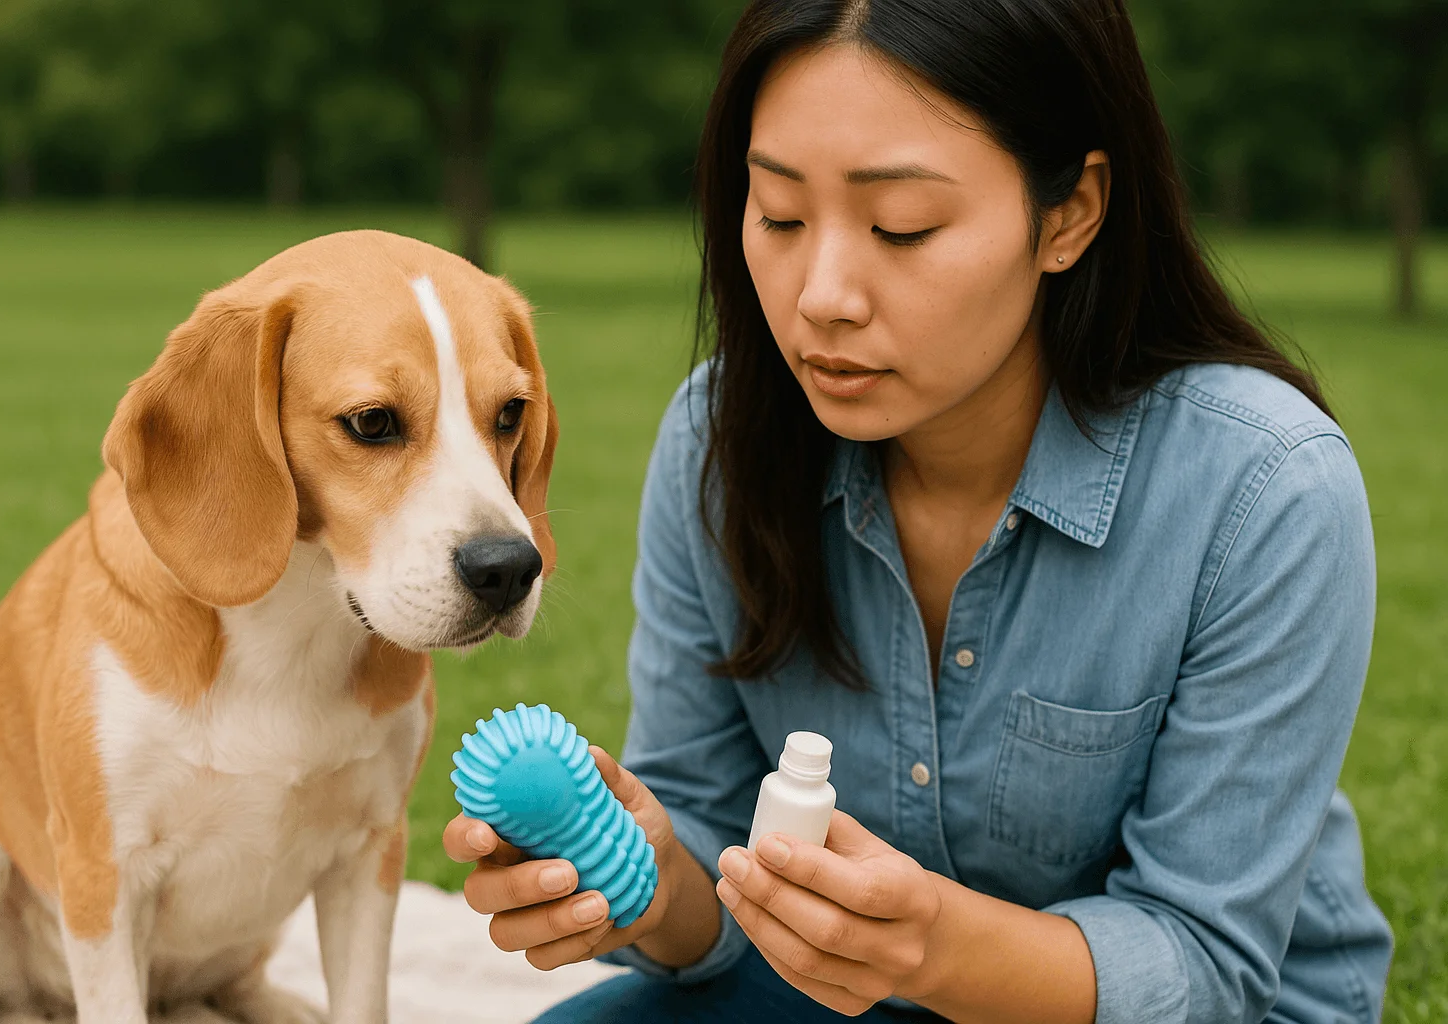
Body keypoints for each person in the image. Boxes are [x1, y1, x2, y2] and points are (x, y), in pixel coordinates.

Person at [443, 0, 1394, 1020]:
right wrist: (639, 881)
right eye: (778, 216)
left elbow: (1205, 963)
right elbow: (713, 859)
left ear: (1069, 211)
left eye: (902, 225)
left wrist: (931, 946)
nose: (824, 295)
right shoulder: (721, 438)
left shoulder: (1264, 488)